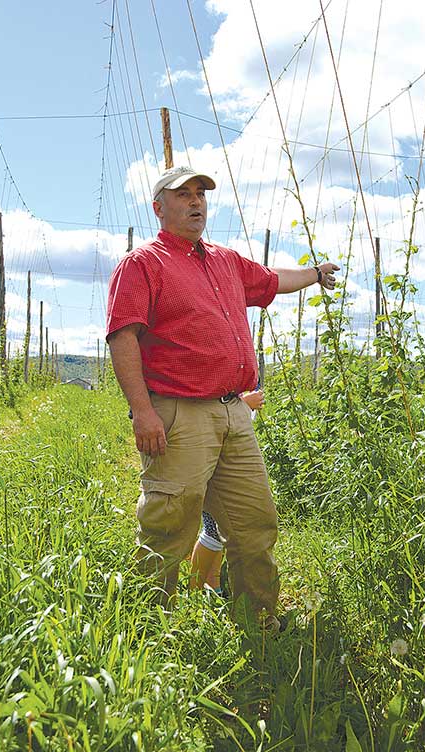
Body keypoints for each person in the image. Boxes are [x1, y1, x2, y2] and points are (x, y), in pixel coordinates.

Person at [106, 165, 339, 630]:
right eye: (183, 195)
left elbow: (272, 280)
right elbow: (122, 338)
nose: (196, 202)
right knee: (169, 525)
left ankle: (260, 621)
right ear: (159, 207)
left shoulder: (225, 261)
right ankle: (148, 630)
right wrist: (144, 411)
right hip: (178, 414)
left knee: (254, 522)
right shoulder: (143, 264)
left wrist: (315, 274)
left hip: (234, 411)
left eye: (201, 195)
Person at [190, 388, 265, 594]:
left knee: (218, 531)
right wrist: (245, 405)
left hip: (225, 454)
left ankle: (213, 585)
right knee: (212, 531)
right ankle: (193, 592)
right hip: (212, 455)